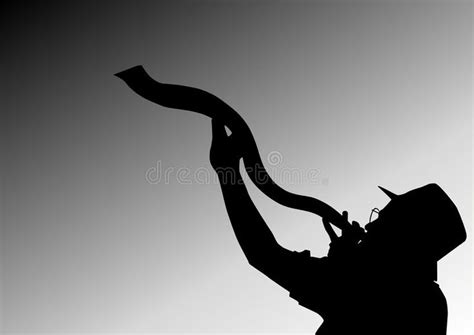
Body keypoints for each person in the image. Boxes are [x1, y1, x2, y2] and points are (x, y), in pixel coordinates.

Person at [209, 119, 466, 335]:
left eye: (383, 218)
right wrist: (344, 261)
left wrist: (227, 171)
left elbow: (263, 254)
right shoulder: (430, 302)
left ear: (404, 236)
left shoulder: (372, 283)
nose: (369, 223)